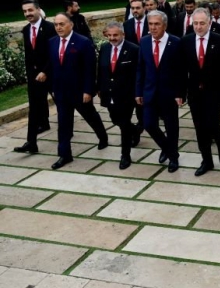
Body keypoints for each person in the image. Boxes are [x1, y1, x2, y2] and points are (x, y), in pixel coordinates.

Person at [48, 13, 109, 169]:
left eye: (62, 24)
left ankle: (102, 136)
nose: (58, 27)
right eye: (56, 24)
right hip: (61, 92)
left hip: (80, 91)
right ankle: (64, 154)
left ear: (71, 25)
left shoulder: (83, 42)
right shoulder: (52, 43)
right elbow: (53, 68)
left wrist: (88, 90)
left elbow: (90, 69)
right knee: (63, 124)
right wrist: (53, 88)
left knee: (91, 116)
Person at [179, 8, 220, 176]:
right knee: (200, 128)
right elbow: (181, 69)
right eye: (195, 23)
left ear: (209, 23)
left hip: (215, 92)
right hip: (194, 92)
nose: (199, 27)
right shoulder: (185, 41)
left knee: (212, 123)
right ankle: (206, 160)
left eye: (202, 23)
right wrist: (180, 93)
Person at [136, 11, 185, 173]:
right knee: (149, 124)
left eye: (157, 24)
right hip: (149, 92)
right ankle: (170, 149)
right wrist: (138, 92)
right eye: (150, 24)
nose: (153, 27)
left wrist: (180, 93)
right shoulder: (143, 42)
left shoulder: (176, 42)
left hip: (169, 93)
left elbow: (181, 72)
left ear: (164, 25)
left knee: (171, 127)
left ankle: (173, 158)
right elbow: (141, 69)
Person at [14, 0, 56, 154]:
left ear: (38, 10)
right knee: (34, 110)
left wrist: (45, 72)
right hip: (35, 78)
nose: (27, 14)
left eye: (30, 10)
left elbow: (55, 53)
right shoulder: (25, 30)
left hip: (51, 76)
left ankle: (101, 135)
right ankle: (31, 142)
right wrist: (30, 75)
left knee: (71, 105)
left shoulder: (51, 28)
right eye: (25, 11)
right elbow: (29, 56)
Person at [97, 22, 140, 169]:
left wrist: (137, 93)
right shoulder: (104, 48)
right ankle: (134, 130)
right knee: (116, 120)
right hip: (109, 93)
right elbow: (101, 70)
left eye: (115, 35)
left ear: (123, 34)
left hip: (126, 94)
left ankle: (125, 155)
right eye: (109, 35)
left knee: (123, 123)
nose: (112, 38)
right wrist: (99, 88)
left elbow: (137, 74)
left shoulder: (133, 49)